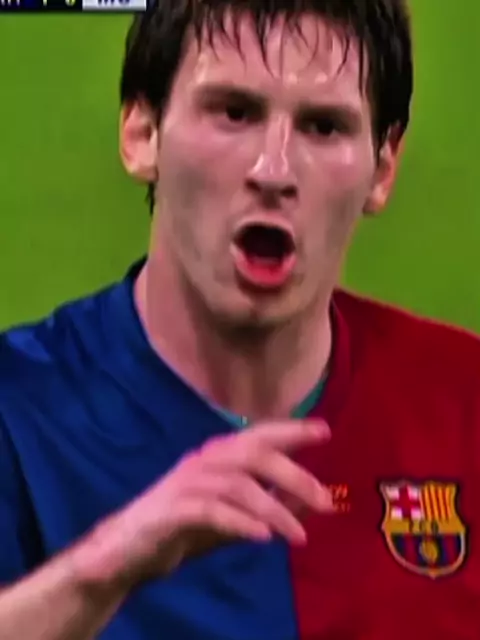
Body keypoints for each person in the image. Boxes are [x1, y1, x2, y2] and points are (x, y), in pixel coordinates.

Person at [1, 0, 479, 638]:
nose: (273, 171)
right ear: (143, 133)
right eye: (234, 112)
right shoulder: (17, 411)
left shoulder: (463, 402)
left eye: (323, 126)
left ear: (383, 168)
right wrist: (100, 570)